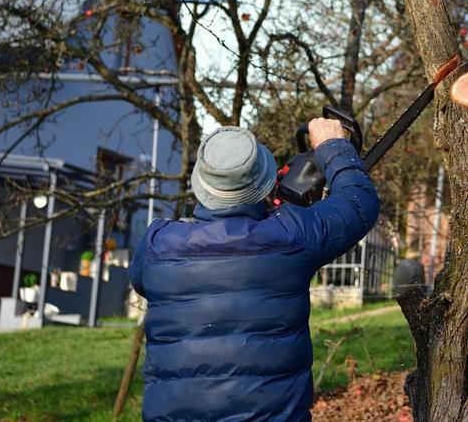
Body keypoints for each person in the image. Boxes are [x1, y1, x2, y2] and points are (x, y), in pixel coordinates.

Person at [130, 119, 379, 421]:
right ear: (265, 181)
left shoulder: (157, 244)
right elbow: (358, 203)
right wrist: (333, 147)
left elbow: (142, 280)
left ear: (201, 183)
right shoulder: (293, 235)